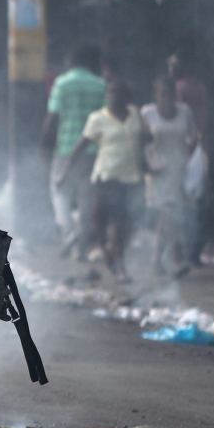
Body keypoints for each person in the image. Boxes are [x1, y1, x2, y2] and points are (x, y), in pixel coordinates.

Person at [60, 79, 144, 283]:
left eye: (118, 92)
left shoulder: (135, 115)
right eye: (111, 92)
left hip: (130, 177)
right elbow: (81, 146)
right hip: (105, 176)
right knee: (100, 219)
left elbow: (142, 143)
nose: (114, 96)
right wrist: (63, 172)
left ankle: (119, 263)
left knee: (121, 223)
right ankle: (108, 255)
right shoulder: (98, 118)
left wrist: (150, 167)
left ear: (125, 95)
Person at [40, 45, 106, 259]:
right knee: (86, 196)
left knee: (59, 190)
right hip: (92, 149)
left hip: (66, 147)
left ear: (72, 61)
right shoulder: (100, 84)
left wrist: (43, 143)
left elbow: (53, 116)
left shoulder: (62, 83)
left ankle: (69, 231)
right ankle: (81, 246)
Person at [140, 76, 197, 276]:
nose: (166, 97)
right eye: (161, 93)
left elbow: (192, 137)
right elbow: (141, 142)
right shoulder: (147, 113)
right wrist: (147, 166)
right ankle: (175, 259)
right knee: (169, 215)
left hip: (179, 170)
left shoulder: (185, 112)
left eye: (169, 93)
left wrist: (191, 157)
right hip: (158, 172)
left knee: (168, 217)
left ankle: (157, 258)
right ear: (155, 94)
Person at [167, 52, 209, 265]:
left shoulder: (179, 88)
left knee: (180, 202)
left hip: (186, 150)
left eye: (173, 65)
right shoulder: (199, 86)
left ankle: (183, 252)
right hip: (201, 149)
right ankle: (193, 251)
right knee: (197, 201)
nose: (170, 69)